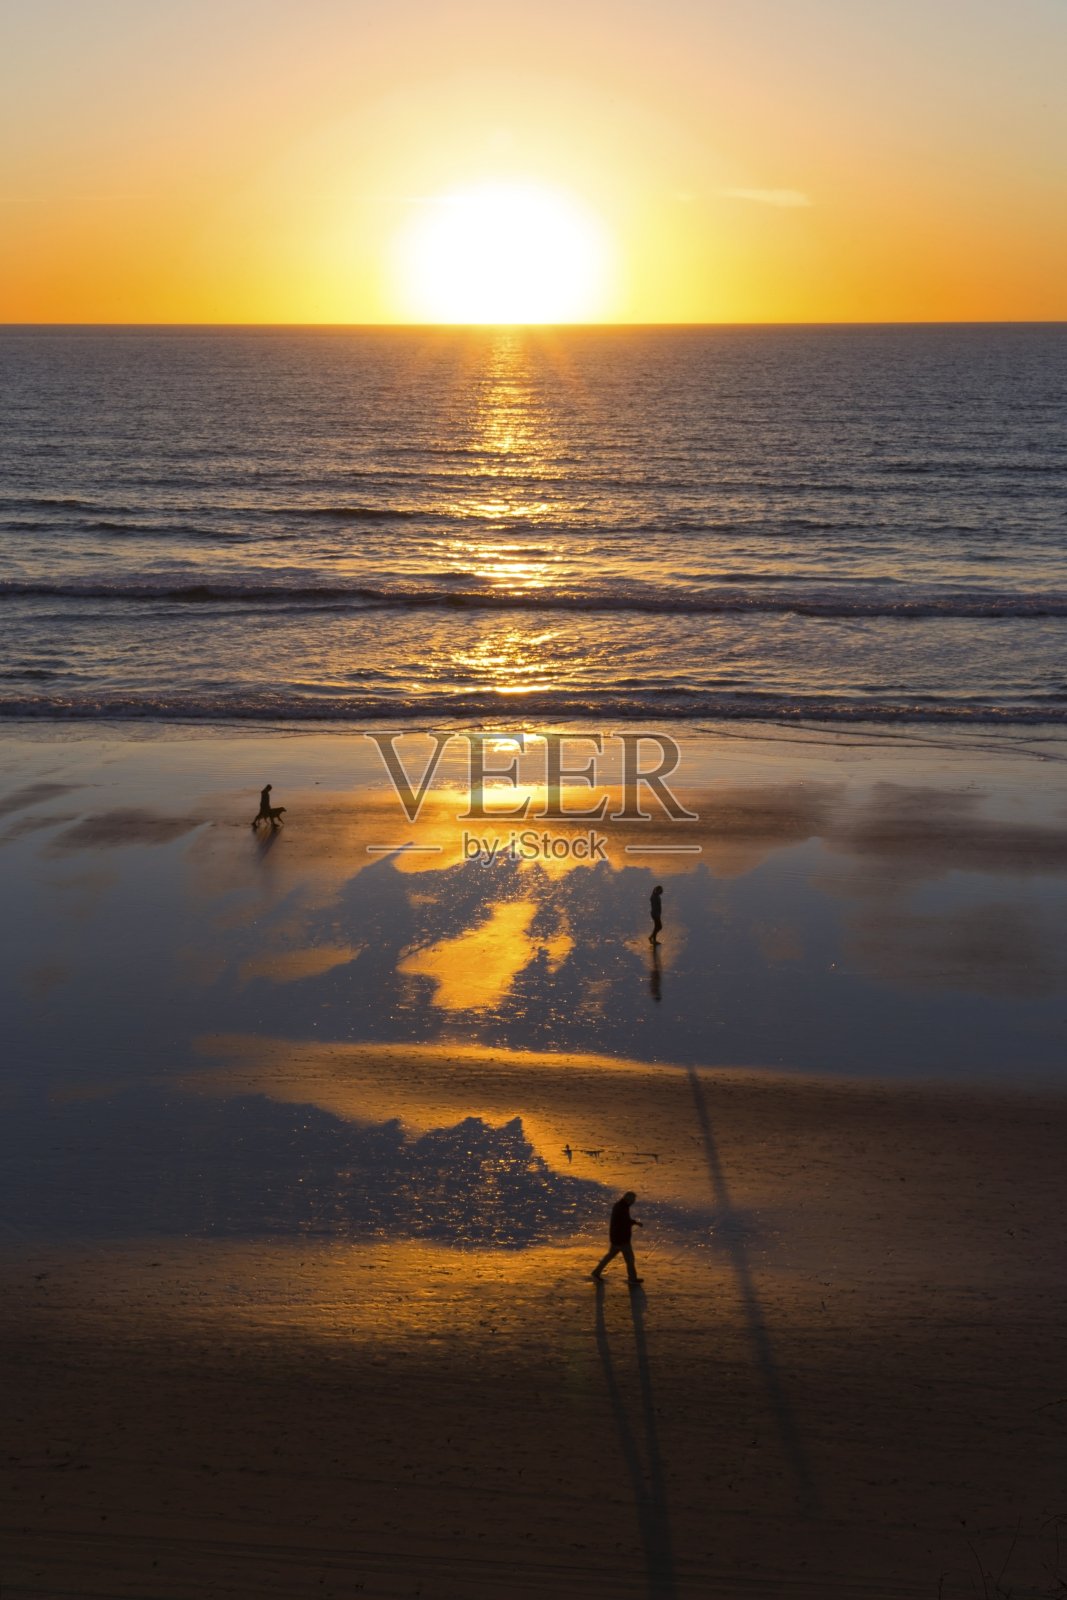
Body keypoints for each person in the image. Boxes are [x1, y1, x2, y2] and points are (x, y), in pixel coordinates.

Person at [591, 1191, 643, 1283]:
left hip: (616, 1238)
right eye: (633, 1200)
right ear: (628, 1199)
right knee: (630, 1259)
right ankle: (632, 1278)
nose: (634, 1201)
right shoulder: (621, 1208)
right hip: (622, 1239)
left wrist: (634, 1223)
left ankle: (596, 1272)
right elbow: (624, 1222)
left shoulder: (621, 1206)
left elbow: (624, 1221)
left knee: (610, 1256)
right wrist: (634, 1223)